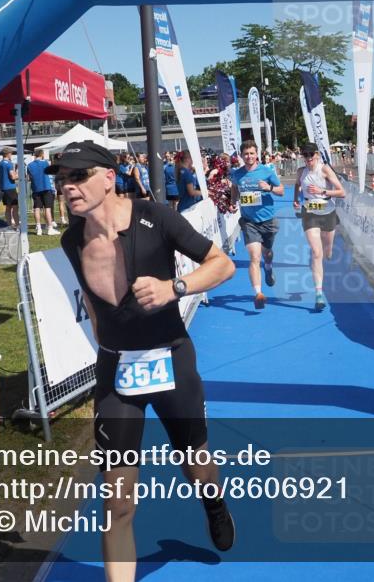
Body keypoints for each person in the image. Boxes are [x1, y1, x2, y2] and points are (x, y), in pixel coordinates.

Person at [50, 141, 236, 579]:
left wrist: (176, 288)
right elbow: (95, 311)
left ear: (109, 177)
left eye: (78, 177)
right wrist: (111, 349)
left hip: (171, 359)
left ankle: (213, 502)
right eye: (62, 181)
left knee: (194, 462)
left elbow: (221, 264)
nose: (67, 187)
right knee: (117, 502)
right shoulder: (70, 239)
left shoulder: (158, 217)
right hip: (117, 373)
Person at [230, 140, 285, 310]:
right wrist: (233, 202)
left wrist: (268, 188)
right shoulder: (237, 174)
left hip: (267, 220)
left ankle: (268, 267)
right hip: (249, 222)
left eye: (252, 153)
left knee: (267, 253)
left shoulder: (266, 171)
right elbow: (234, 188)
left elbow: (281, 191)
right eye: (246, 154)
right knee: (254, 256)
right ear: (241, 155)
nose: (249, 157)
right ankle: (258, 293)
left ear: (257, 154)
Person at [292, 143, 346, 311]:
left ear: (316, 155)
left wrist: (323, 192)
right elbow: (297, 184)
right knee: (317, 253)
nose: (308, 159)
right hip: (309, 212)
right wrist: (295, 199)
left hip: (327, 211)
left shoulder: (325, 170)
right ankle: (318, 293)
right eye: (305, 155)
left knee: (328, 252)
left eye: (310, 155)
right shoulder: (301, 171)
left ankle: (327, 254)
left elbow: (342, 192)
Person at [27, 149, 59, 236]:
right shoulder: (45, 163)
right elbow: (51, 174)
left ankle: (39, 229)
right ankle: (50, 228)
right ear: (42, 155)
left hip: (36, 189)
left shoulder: (29, 165)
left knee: (36, 208)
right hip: (46, 188)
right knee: (47, 208)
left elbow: (29, 178)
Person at [0, 147, 19, 228]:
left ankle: (9, 225)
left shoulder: (0, 164)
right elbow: (13, 177)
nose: (11, 155)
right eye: (11, 153)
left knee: (8, 208)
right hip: (10, 188)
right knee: (15, 207)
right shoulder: (9, 163)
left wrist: (15, 169)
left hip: (3, 188)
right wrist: (18, 173)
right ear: (8, 154)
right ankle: (17, 225)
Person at [52, 153, 69, 226]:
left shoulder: (55, 167)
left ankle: (63, 219)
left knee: (61, 203)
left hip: (60, 185)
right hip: (64, 185)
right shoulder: (65, 165)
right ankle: (64, 218)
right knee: (66, 203)